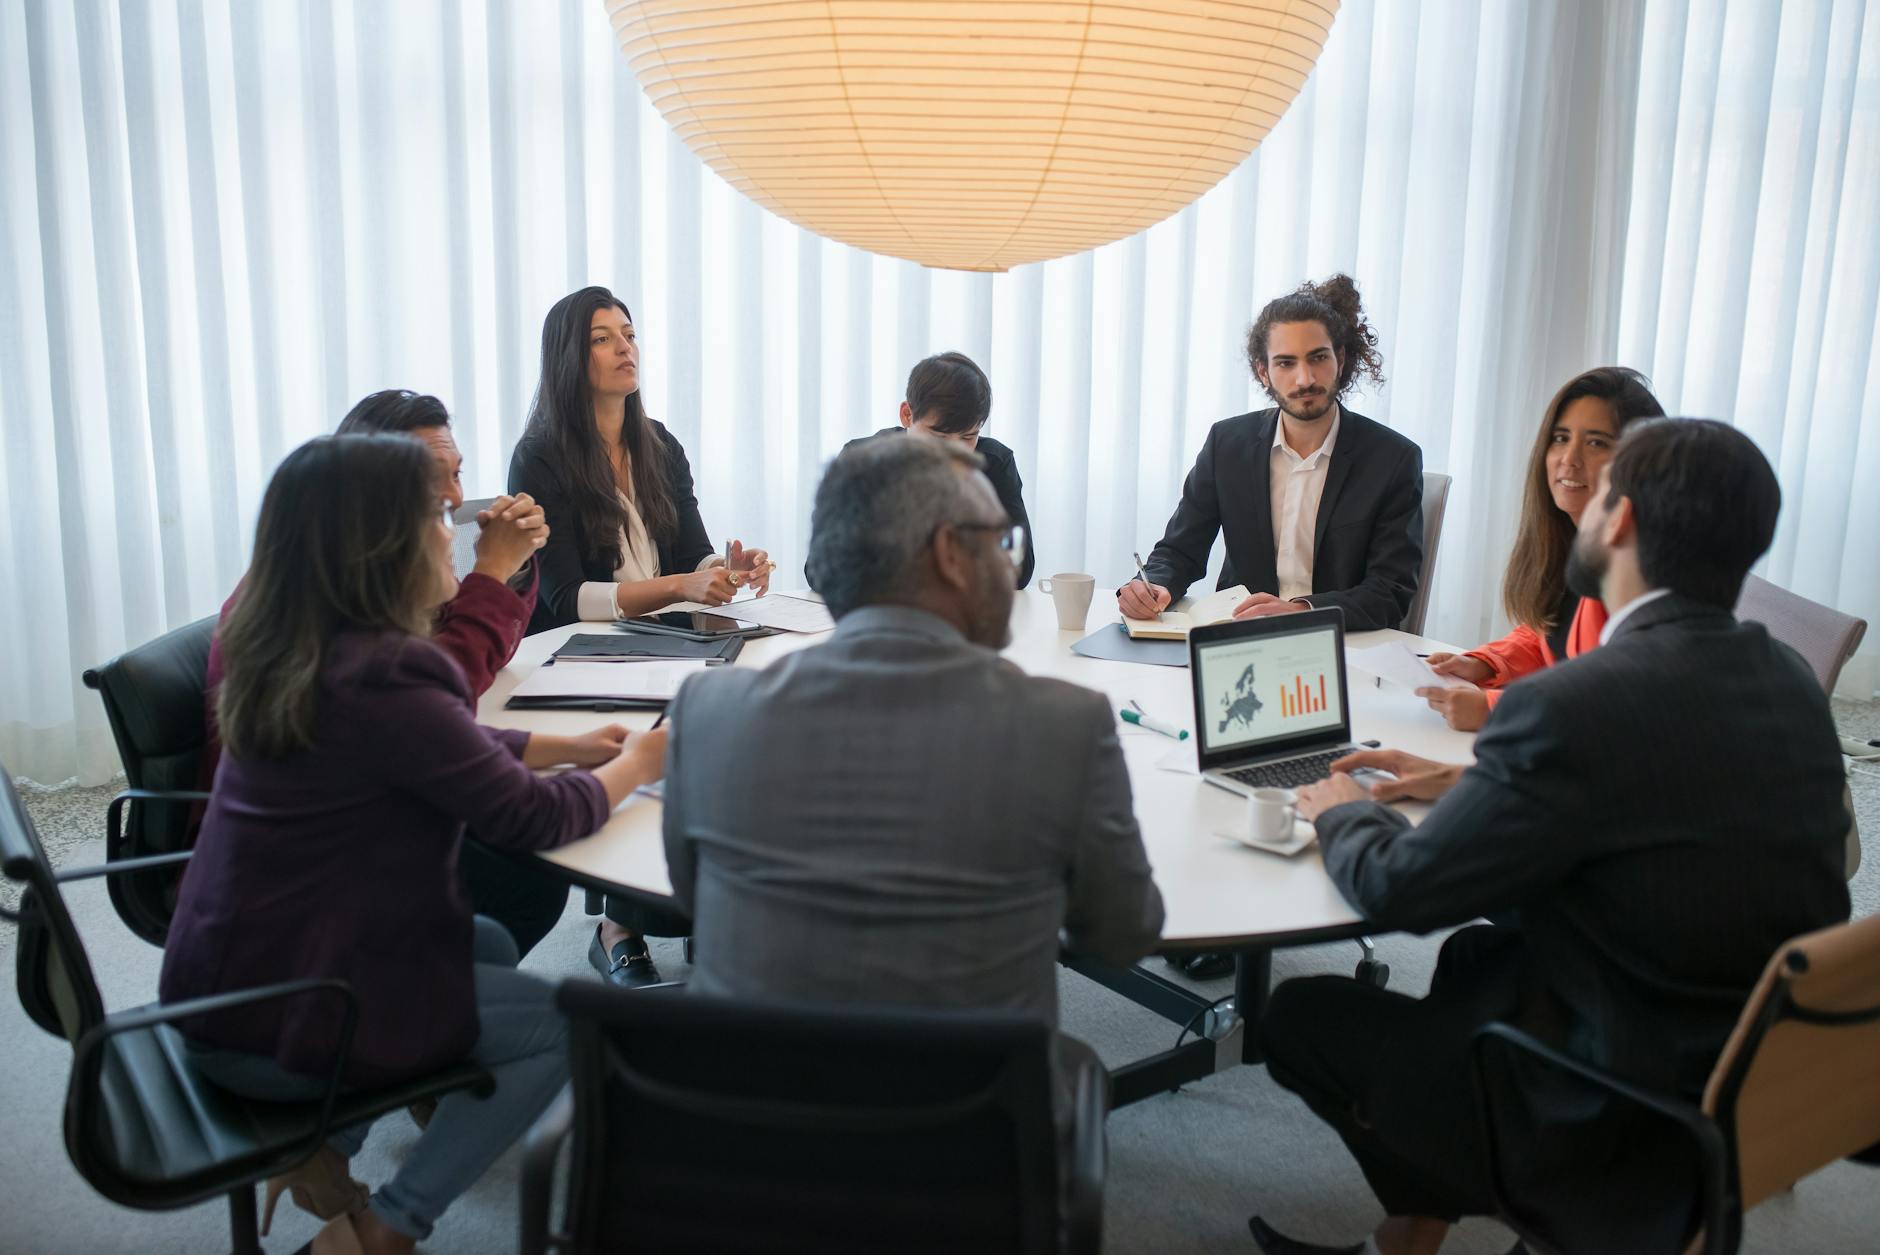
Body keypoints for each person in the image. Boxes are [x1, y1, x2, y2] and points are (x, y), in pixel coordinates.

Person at [1250, 419, 1851, 1255]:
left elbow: (1403, 891)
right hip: (1749, 1066)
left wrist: (1343, 806)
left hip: (1618, 1102)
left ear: (1622, 520)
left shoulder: (1577, 701)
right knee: (1474, 961)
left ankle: (1538, 1204)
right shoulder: (1786, 677)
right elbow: (1659, 800)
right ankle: (1406, 1238)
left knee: (1298, 1014)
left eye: (1601, 491)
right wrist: (1467, 781)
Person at [160, 434, 667, 1255]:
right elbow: (534, 821)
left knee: (490, 938)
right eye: (436, 516)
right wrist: (642, 759)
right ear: (381, 545)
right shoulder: (390, 672)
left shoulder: (301, 649)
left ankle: (329, 1143)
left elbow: (421, 747)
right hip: (284, 1015)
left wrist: (569, 749)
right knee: (564, 1026)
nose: (453, 532)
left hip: (220, 977)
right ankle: (385, 1226)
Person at [662, 434, 1164, 1118]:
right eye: (1000, 539)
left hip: (745, 1147)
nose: (1009, 563)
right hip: (968, 1165)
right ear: (952, 555)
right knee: (1078, 1070)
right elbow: (1123, 936)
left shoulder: (708, 711)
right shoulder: (1064, 726)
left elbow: (694, 902)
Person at [195, 390, 574, 958]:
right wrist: (491, 572)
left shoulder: (347, 568)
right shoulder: (311, 605)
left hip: (340, 806)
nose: (453, 497)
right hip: (303, 861)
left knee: (521, 856)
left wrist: (510, 574)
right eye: (428, 481)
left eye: (457, 474)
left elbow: (433, 688)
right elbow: (436, 691)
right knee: (523, 867)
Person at [508, 285, 770, 987]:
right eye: (603, 337)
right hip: (583, 654)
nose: (627, 348)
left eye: (629, 332)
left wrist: (728, 569)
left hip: (667, 641)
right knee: (651, 737)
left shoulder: (659, 445)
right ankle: (620, 923)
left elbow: (693, 556)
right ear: (570, 355)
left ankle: (704, 904)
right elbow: (564, 599)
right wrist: (683, 587)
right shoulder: (540, 458)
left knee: (731, 721)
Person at [1119, 273, 1424, 632]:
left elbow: (1390, 590)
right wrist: (1153, 583)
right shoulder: (1227, 444)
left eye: (1318, 358)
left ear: (1340, 359)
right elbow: (1179, 550)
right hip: (1242, 639)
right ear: (1263, 371)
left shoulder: (1392, 458)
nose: (1305, 379)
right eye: (1286, 363)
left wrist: (1301, 610)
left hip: (1341, 645)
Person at [1414, 367, 1664, 733]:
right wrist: (1484, 663)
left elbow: (1604, 699)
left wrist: (1495, 708)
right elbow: (1548, 632)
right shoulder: (1573, 538)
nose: (1570, 458)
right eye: (1560, 438)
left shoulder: (1636, 569)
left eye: (1596, 443)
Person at [835, 350, 1035, 588]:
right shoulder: (862, 461)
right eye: (939, 436)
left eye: (968, 437)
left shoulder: (994, 464)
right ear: (907, 415)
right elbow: (819, 568)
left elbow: (1020, 570)